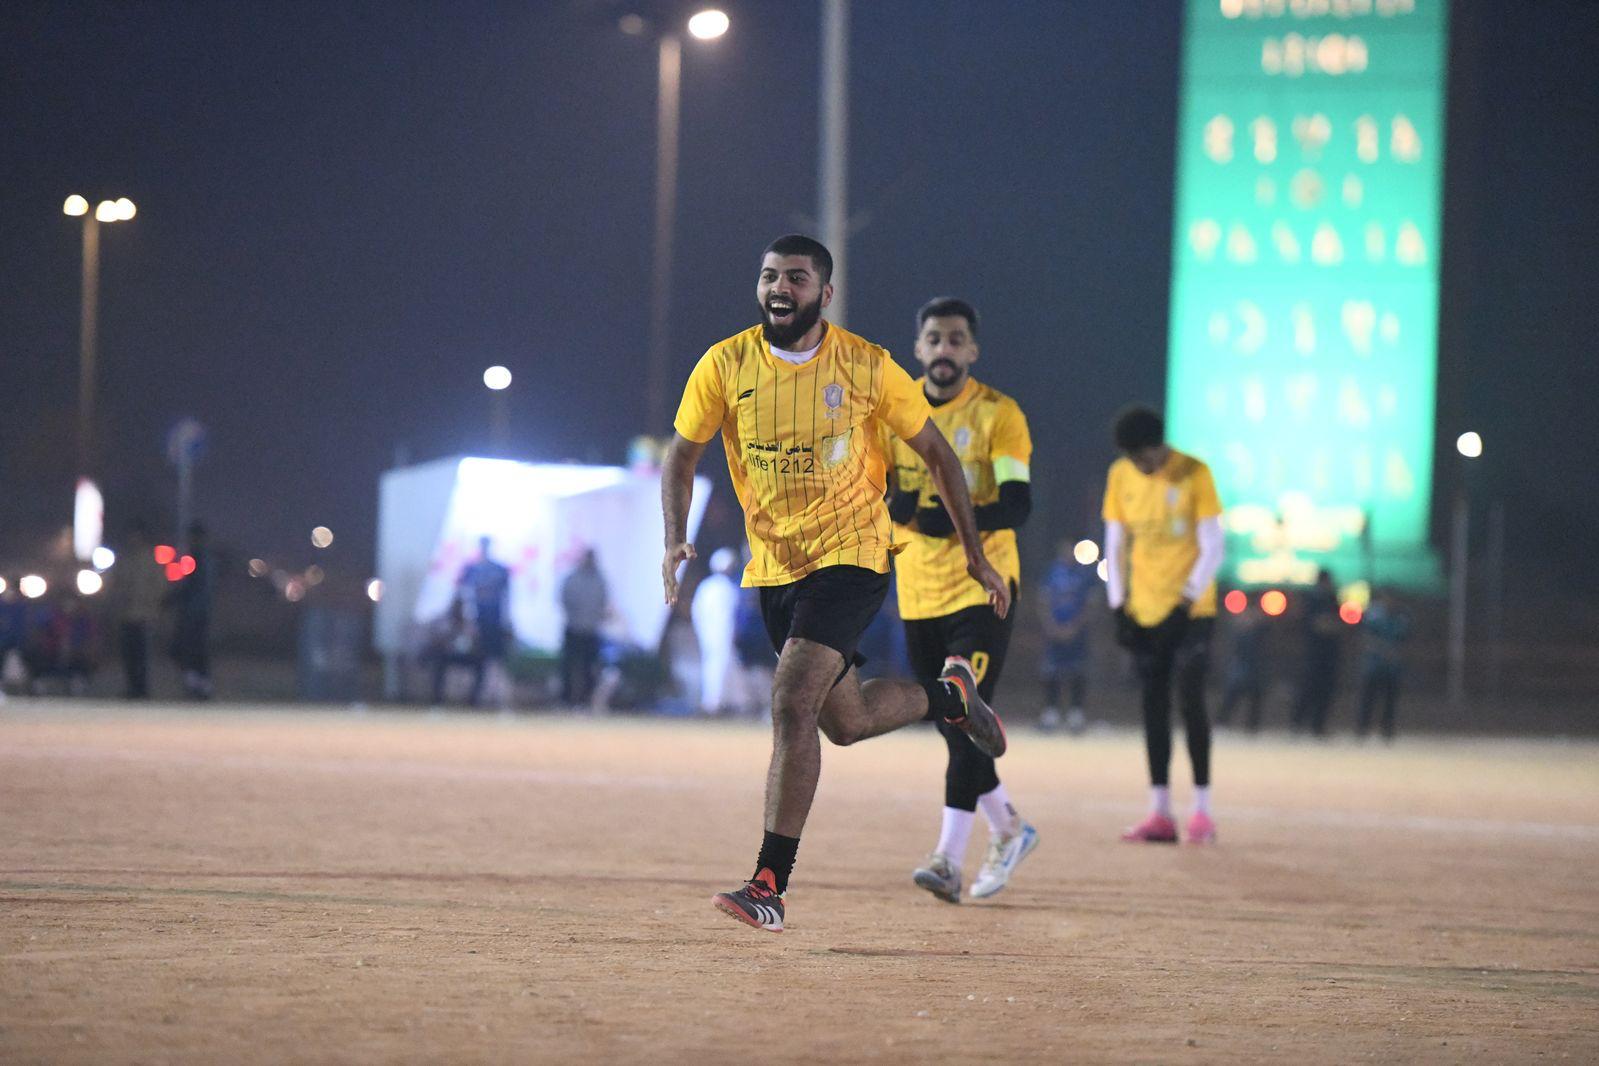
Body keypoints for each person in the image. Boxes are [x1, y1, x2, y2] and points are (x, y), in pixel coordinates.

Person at [661, 235, 1011, 933]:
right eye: (769, 275)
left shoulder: (867, 366)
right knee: (843, 722)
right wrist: (674, 536)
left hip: (853, 554)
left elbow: (938, 455)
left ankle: (769, 884)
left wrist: (975, 554)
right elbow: (681, 456)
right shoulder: (724, 363)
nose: (778, 287)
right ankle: (948, 696)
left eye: (795, 277)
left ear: (825, 293)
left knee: (791, 700)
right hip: (776, 566)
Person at [884, 296, 1038, 903]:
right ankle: (1010, 828)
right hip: (917, 591)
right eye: (934, 339)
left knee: (962, 706)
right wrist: (893, 504)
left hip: (983, 587)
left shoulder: (999, 414)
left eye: (955, 340)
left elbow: (1018, 505)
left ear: (972, 350)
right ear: (917, 348)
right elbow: (877, 489)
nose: (944, 350)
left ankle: (947, 859)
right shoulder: (894, 412)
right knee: (955, 727)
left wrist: (952, 518)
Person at [1102, 405, 1225, 844]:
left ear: (1159, 446)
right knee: (1153, 706)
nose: (1139, 465)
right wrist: (1119, 606)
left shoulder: (1195, 473)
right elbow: (1115, 544)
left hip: (1191, 612)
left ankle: (1202, 812)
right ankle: (1160, 812)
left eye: (1144, 457)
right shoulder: (1121, 475)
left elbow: (1213, 546)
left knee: (1191, 701)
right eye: (1132, 458)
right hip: (1145, 612)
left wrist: (1185, 602)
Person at [1039, 536, 1103, 734]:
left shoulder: (1085, 575)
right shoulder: (1052, 572)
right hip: (1054, 631)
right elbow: (1043, 600)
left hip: (1078, 633)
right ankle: (1051, 712)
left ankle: (1076, 713)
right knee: (1051, 671)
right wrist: (1051, 625)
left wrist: (1074, 627)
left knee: (1078, 670)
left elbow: (1091, 604)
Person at [113, 523, 167, 699]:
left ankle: (142, 688)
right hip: (126, 614)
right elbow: (116, 583)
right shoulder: (125, 560)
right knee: (128, 654)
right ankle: (131, 687)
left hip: (145, 615)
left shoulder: (150, 560)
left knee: (142, 654)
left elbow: (160, 585)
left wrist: (150, 601)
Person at [458, 536, 513, 706]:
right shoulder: (471, 569)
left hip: (495, 621)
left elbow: (507, 598)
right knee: (476, 662)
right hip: (477, 622)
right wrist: (468, 622)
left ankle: (497, 698)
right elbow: (465, 596)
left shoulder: (500, 569)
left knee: (496, 661)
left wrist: (507, 621)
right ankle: (474, 698)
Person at [1290, 568, 1342, 736]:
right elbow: (1309, 623)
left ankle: (1318, 725)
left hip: (1330, 653)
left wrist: (1328, 624)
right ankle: (1297, 723)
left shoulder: (1333, 599)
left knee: (1326, 690)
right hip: (1313, 653)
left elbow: (1337, 623)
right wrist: (1323, 624)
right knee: (1308, 687)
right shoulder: (1310, 599)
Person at [691, 547, 741, 714]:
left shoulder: (706, 586)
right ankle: (713, 703)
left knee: (723, 665)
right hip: (720, 635)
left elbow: (696, 612)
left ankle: (724, 702)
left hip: (710, 635)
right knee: (718, 665)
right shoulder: (726, 588)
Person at [1356, 588, 1410, 741]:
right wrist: (1382, 649)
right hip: (1373, 665)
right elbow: (1365, 638)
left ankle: (1387, 728)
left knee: (1390, 699)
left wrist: (1396, 653)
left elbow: (1406, 640)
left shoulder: (1402, 618)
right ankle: (1362, 728)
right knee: (1368, 697)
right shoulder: (1373, 616)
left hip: (1393, 666)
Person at [168, 521, 214, 699]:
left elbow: (191, 586)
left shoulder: (199, 558)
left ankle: (198, 685)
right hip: (199, 611)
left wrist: (170, 599)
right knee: (195, 650)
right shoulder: (205, 558)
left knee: (188, 649)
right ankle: (199, 685)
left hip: (194, 612)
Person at [559, 548, 609, 706]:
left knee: (590, 668)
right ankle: (566, 700)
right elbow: (564, 599)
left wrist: (595, 618)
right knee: (569, 666)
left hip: (591, 630)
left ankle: (586, 700)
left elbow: (603, 602)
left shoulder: (600, 581)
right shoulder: (572, 579)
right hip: (574, 628)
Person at [1216, 595, 1268, 732]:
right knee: (1233, 693)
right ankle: (1222, 720)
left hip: (1255, 665)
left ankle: (1252, 724)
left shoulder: (1260, 627)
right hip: (1240, 664)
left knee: (1255, 695)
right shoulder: (1238, 625)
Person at [428, 596, 484, 706]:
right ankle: (437, 700)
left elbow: (476, 641)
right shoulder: (445, 621)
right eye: (456, 607)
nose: (458, 609)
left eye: (460, 607)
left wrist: (472, 645)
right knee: (438, 662)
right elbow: (437, 642)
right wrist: (451, 633)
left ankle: (473, 700)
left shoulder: (469, 623)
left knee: (481, 664)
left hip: (466, 655)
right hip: (448, 655)